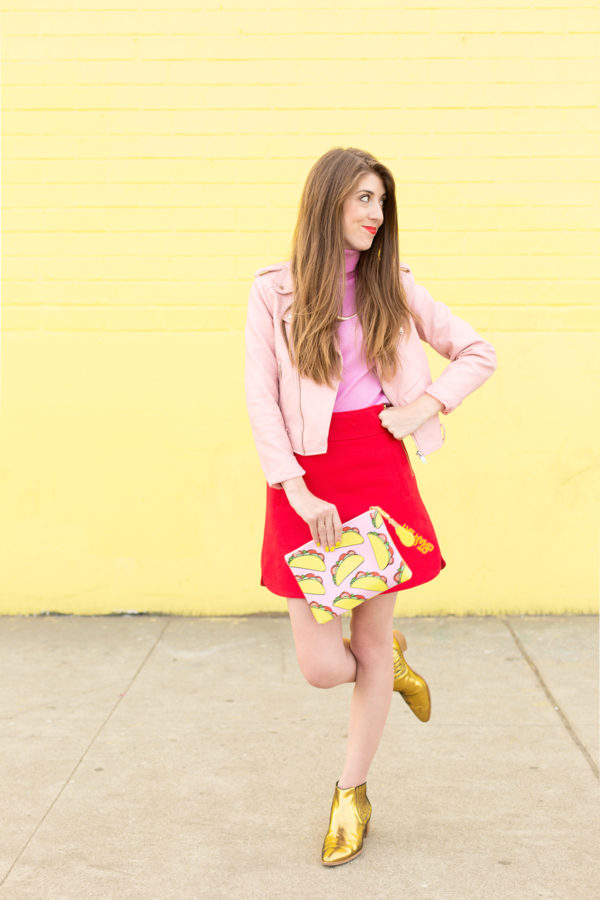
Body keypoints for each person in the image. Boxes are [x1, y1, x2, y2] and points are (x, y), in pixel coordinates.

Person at [244, 147, 497, 866]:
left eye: (382, 202)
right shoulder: (275, 290)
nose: (375, 215)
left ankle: (352, 795)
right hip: (303, 478)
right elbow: (260, 394)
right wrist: (294, 485)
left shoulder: (397, 286)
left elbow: (477, 352)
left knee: (372, 633)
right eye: (362, 199)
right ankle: (387, 660)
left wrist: (420, 407)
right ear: (328, 202)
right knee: (323, 664)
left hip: (376, 469)